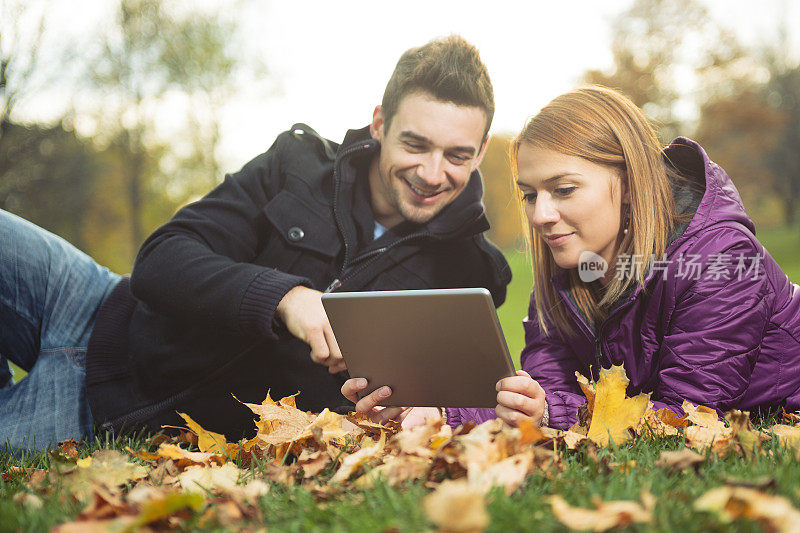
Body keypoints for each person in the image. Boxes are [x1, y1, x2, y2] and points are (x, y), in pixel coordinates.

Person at [0, 35, 511, 450]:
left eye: (457, 155)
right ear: (380, 124)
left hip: (98, 411)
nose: (431, 172)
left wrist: (401, 411)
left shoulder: (471, 277)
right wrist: (287, 300)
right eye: (415, 144)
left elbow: (434, 410)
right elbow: (161, 259)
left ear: (482, 148)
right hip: (90, 302)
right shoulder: (296, 165)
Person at [344, 85, 800, 431]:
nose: (541, 215)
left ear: (629, 181)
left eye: (563, 190)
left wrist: (547, 413)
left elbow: (684, 418)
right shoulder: (568, 267)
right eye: (530, 195)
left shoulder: (718, 260)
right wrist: (437, 409)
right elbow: (547, 393)